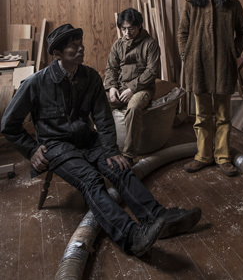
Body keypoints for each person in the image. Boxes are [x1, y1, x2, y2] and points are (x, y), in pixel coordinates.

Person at [1, 24, 201, 257]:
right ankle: (130, 236)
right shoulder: (36, 83)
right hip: (56, 146)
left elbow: (103, 118)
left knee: (120, 168)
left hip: (87, 139)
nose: (81, 48)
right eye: (73, 46)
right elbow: (8, 124)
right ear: (57, 54)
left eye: (80, 43)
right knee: (91, 180)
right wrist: (32, 149)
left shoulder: (90, 77)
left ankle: (157, 217)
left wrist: (110, 149)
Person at [178, 0, 243, 177]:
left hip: (223, 67)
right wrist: (187, 55)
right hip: (198, 66)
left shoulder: (232, 5)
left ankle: (222, 156)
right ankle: (203, 155)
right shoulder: (192, 4)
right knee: (201, 115)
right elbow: (182, 33)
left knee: (223, 115)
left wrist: (233, 51)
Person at [105, 8, 160, 164]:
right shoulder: (118, 45)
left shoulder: (150, 43)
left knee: (134, 107)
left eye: (131, 28)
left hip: (143, 88)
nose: (127, 32)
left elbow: (152, 71)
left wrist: (132, 89)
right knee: (95, 101)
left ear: (139, 26)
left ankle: (129, 155)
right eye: (123, 29)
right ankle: (98, 146)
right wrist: (112, 87)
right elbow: (111, 68)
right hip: (120, 86)